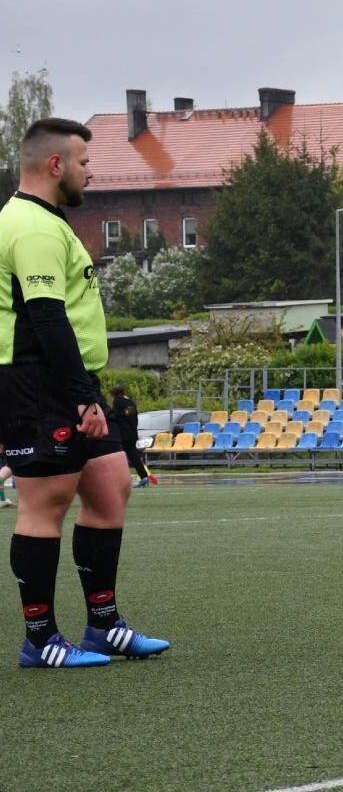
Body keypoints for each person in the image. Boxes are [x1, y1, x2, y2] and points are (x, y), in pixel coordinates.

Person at [0, 117, 170, 668]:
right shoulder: (30, 227)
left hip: (69, 381)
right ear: (56, 165)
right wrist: (81, 397)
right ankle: (40, 638)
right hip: (38, 382)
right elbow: (46, 318)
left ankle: (102, 626)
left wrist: (87, 389)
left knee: (109, 485)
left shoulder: (49, 222)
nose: (89, 173)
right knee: (43, 506)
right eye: (84, 162)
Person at [110, 385, 156, 488]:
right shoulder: (131, 403)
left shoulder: (118, 401)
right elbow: (132, 418)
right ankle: (144, 477)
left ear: (114, 394)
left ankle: (117, 479)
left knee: (117, 455)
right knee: (134, 456)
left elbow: (115, 416)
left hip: (123, 433)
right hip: (132, 432)